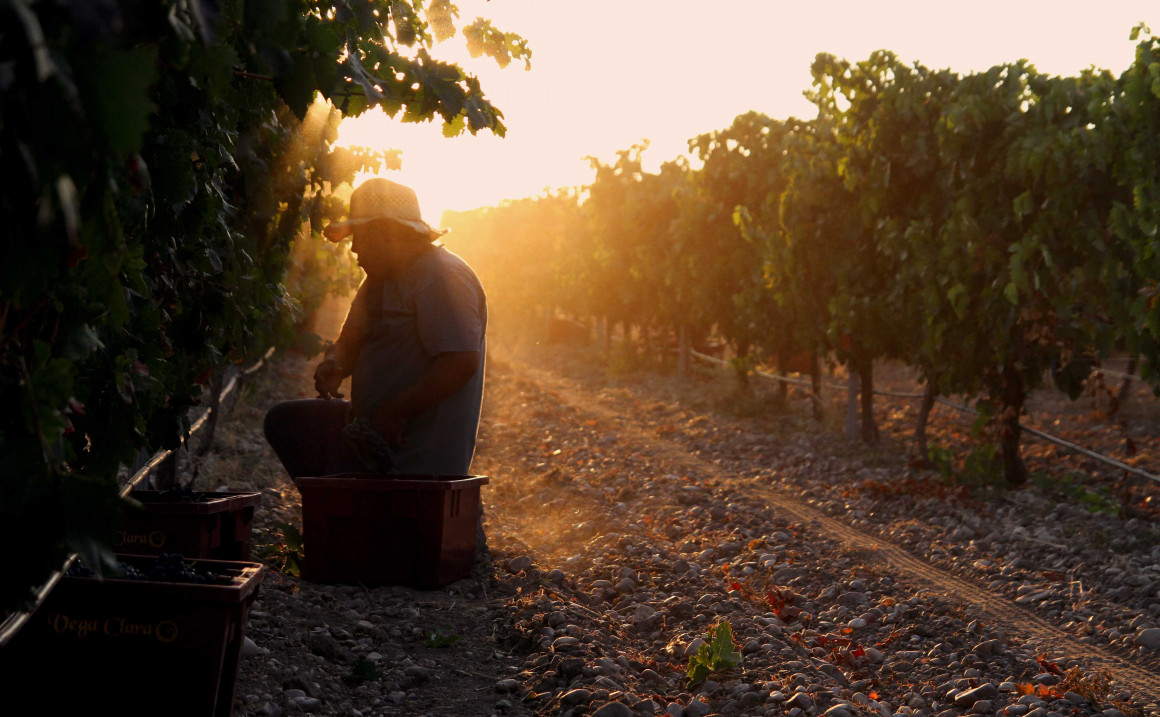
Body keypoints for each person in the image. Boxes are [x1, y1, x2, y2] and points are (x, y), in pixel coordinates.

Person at [263, 178, 487, 478]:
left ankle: (347, 508)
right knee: (285, 422)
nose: (353, 248)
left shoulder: (443, 276)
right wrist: (336, 364)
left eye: (361, 236)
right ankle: (338, 508)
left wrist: (398, 411)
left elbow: (460, 362)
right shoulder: (379, 280)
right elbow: (351, 340)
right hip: (371, 432)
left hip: (413, 452)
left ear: (388, 234)